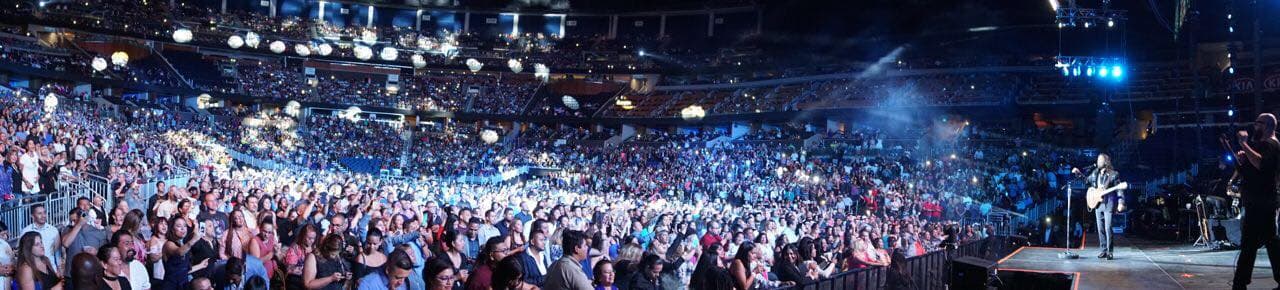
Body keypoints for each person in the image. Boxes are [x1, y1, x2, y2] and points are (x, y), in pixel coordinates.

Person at [1229, 113, 1280, 290]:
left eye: (1257, 123)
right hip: (1258, 200)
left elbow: (1261, 164)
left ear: (1266, 125)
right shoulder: (1263, 145)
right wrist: (1243, 159)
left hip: (1262, 201)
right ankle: (1240, 283)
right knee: (1263, 243)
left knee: (1256, 243)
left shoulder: (1272, 144)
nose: (1254, 127)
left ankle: (1240, 283)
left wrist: (1244, 144)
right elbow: (1251, 170)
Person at [1072, 153, 1125, 260]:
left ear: (1105, 161)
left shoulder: (1114, 174)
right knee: (1100, 228)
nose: (1097, 162)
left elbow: (1119, 189)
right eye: (1097, 160)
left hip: (1108, 203)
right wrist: (1078, 173)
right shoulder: (1095, 173)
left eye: (1100, 160)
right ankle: (1103, 250)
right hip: (1098, 203)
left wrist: (1121, 202)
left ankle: (1110, 251)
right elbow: (1087, 181)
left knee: (1107, 227)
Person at [22, 204, 61, 269]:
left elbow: (57, 253)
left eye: (44, 213)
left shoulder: (53, 230)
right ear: (32, 216)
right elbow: (23, 252)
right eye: (39, 213)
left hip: (51, 269)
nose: (43, 216)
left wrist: (59, 268)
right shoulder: (25, 231)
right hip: (33, 269)